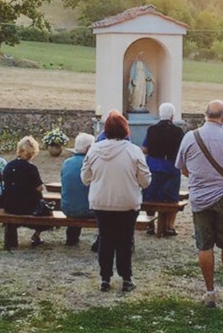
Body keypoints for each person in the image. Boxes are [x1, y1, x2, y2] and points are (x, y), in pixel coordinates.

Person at [175, 100, 223, 307]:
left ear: (205, 114)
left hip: (200, 197)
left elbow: (182, 168)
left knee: (204, 245)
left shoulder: (189, 137)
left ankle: (209, 292)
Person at [81, 111, 151, 292]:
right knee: (125, 240)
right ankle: (126, 278)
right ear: (125, 130)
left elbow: (85, 178)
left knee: (105, 238)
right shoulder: (133, 151)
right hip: (127, 201)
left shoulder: (94, 150)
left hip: (101, 201)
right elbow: (145, 180)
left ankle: (105, 278)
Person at [142, 103, 185, 236]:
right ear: (172, 116)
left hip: (153, 165)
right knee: (171, 198)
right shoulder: (178, 132)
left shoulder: (152, 130)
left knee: (151, 196)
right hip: (171, 166)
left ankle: (150, 224)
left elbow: (145, 148)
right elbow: (182, 151)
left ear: (160, 114)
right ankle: (169, 225)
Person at [1, 136, 47, 246]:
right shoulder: (31, 168)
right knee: (46, 210)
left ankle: (11, 239)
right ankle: (36, 235)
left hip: (10, 205)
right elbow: (39, 187)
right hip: (28, 207)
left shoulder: (8, 166)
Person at [61, 133, 96, 246]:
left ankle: (71, 237)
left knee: (76, 197)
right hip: (87, 209)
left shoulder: (67, 163)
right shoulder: (91, 164)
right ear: (89, 148)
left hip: (67, 207)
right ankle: (101, 240)